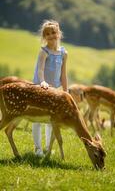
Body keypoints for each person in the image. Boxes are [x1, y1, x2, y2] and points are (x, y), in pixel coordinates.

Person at [32, 20, 68, 156]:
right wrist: (42, 82)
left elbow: (64, 74)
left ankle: (48, 147)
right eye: (47, 34)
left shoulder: (64, 53)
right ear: (44, 37)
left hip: (54, 90)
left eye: (53, 32)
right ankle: (37, 149)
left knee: (50, 119)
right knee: (36, 119)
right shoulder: (44, 52)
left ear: (58, 33)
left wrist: (65, 91)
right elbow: (40, 69)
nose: (51, 35)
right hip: (40, 88)